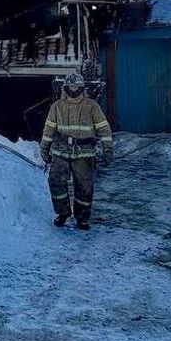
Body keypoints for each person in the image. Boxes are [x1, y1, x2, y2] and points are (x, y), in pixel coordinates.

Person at [39, 73, 113, 230]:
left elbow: (103, 128)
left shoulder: (92, 106)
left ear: (81, 88)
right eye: (70, 87)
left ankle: (82, 218)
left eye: (76, 87)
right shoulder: (57, 106)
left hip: (84, 153)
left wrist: (107, 149)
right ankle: (62, 212)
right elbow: (48, 129)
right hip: (60, 152)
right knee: (55, 181)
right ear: (65, 88)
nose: (73, 90)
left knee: (84, 186)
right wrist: (44, 148)